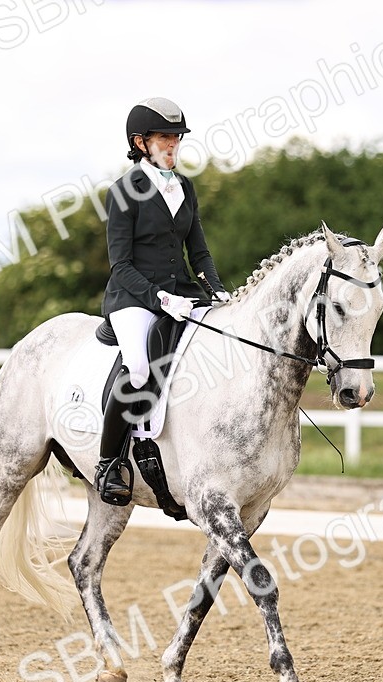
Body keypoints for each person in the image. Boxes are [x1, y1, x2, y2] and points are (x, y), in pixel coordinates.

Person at [94, 97, 230, 506]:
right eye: (164, 137)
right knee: (137, 367)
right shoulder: (122, 193)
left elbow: (198, 251)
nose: (173, 144)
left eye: (176, 138)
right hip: (133, 296)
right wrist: (158, 297)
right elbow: (120, 265)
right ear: (140, 142)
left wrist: (217, 288)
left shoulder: (184, 187)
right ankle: (109, 462)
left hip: (183, 293)